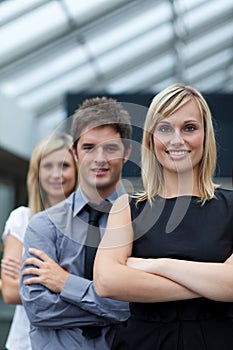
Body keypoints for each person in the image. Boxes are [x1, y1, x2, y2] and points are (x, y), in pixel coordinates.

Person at [94, 84, 233, 350]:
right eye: (165, 128)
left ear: (206, 135)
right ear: (151, 138)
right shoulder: (127, 208)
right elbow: (106, 281)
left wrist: (153, 265)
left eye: (189, 128)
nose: (176, 139)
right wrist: (212, 284)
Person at [20, 97, 131, 350]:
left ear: (126, 152)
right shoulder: (43, 226)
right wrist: (113, 305)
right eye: (89, 147)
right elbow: (38, 308)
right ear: (75, 152)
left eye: (110, 148)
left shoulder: (141, 223)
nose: (99, 158)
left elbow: (138, 307)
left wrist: (64, 283)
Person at [1, 133, 78, 350]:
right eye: (48, 166)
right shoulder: (21, 218)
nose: (56, 174)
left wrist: (35, 280)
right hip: (25, 342)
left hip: (74, 340)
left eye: (64, 166)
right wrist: (70, 283)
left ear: (76, 171)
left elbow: (100, 290)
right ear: (37, 172)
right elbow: (9, 292)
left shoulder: (89, 224)